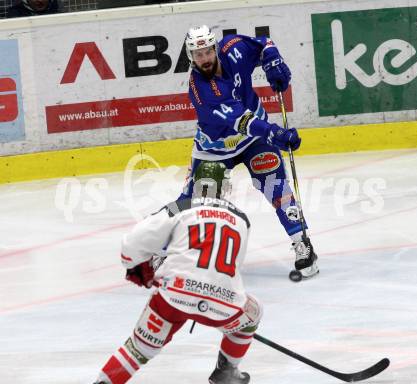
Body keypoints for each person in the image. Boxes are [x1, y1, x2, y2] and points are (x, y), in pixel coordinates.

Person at [93, 161, 262, 384]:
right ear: (224, 187)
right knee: (253, 314)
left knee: (138, 349)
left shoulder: (179, 207)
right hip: (224, 302)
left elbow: (131, 244)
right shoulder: (242, 219)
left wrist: (137, 266)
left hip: (174, 296)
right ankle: (226, 372)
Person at [181, 25, 318, 281]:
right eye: (198, 55)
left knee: (276, 187)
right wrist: (273, 133)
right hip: (216, 148)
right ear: (191, 57)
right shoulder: (200, 89)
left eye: (207, 51)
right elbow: (241, 121)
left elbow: (264, 43)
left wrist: (273, 62)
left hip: (255, 139)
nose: (204, 59)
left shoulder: (233, 48)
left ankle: (302, 243)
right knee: (195, 201)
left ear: (214, 48)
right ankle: (167, 250)